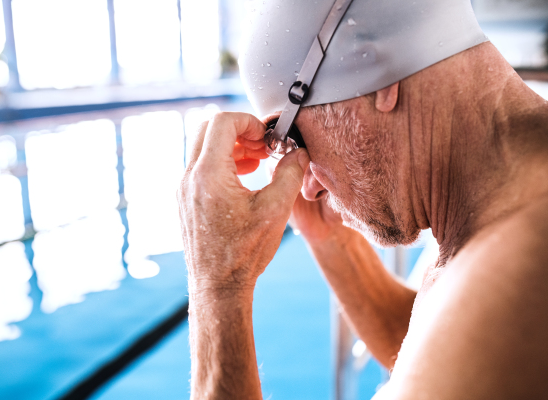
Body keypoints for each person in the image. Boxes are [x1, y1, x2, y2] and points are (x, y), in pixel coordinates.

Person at [177, 0, 548, 398]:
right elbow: (435, 355)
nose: (308, 186)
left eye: (290, 139)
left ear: (382, 83)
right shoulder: (502, 212)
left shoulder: (523, 265)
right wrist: (330, 241)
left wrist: (218, 284)